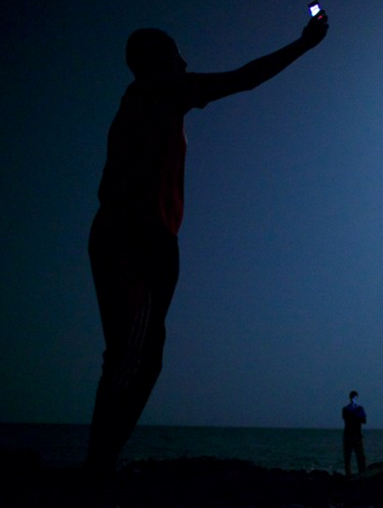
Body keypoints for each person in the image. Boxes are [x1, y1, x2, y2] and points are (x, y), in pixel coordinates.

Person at [85, 14, 329, 480]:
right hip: (137, 238)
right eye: (176, 53)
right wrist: (304, 44)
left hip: (136, 236)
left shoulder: (142, 101)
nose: (185, 61)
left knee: (137, 353)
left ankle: (100, 460)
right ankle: (98, 467)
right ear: (159, 60)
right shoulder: (156, 92)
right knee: (133, 355)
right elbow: (244, 78)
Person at [342, 390, 367, 477]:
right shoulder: (346, 409)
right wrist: (357, 415)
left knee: (360, 456)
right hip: (349, 436)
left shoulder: (359, 408)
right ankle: (349, 474)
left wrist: (355, 415)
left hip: (356, 435)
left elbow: (364, 420)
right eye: (353, 397)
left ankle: (362, 473)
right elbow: (347, 418)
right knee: (348, 457)